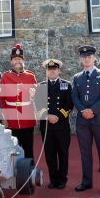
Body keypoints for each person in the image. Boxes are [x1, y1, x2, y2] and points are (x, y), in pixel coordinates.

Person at [71, 45, 100, 196]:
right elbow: (74, 97)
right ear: (80, 59)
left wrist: (93, 110)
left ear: (94, 58)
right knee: (85, 153)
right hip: (83, 121)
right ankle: (87, 181)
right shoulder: (77, 78)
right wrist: (83, 110)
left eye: (89, 56)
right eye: (84, 57)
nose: (86, 59)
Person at [37, 59, 73, 189]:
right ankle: (53, 179)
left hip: (62, 126)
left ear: (58, 70)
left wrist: (58, 116)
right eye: (49, 69)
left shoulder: (66, 85)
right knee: (50, 154)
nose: (52, 71)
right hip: (46, 126)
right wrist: (47, 116)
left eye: (54, 69)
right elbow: (37, 105)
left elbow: (69, 104)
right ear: (46, 71)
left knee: (63, 153)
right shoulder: (40, 86)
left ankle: (62, 179)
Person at [0, 43, 37, 160]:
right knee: (13, 151)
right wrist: (4, 118)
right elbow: (1, 99)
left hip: (27, 119)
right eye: (15, 59)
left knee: (28, 150)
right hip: (12, 120)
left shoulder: (30, 76)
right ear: (11, 61)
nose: (17, 61)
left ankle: (29, 175)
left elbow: (35, 97)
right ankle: (14, 177)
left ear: (23, 61)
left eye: (19, 59)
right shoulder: (5, 76)